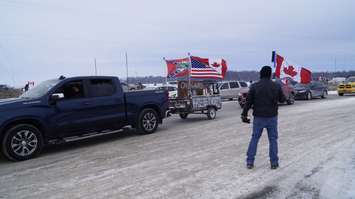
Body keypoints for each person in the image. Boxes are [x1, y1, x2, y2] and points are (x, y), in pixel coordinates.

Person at [241, 66, 286, 170]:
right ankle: (274, 162)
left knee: (255, 138)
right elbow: (283, 100)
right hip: (272, 117)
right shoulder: (276, 86)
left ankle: (250, 161)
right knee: (273, 140)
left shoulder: (254, 86)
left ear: (261, 73)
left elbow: (248, 102)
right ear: (270, 74)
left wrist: (244, 114)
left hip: (258, 117)